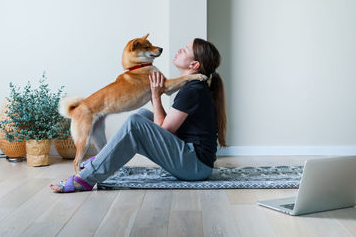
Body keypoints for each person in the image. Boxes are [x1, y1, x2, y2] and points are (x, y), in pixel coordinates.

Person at [50, 38, 227, 193]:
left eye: (186, 50)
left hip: (196, 168)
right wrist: (154, 94)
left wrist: (155, 95)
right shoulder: (192, 87)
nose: (180, 50)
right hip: (192, 160)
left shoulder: (193, 90)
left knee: (135, 122)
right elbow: (166, 131)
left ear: (194, 65)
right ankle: (102, 159)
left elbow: (163, 130)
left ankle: (85, 180)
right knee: (142, 115)